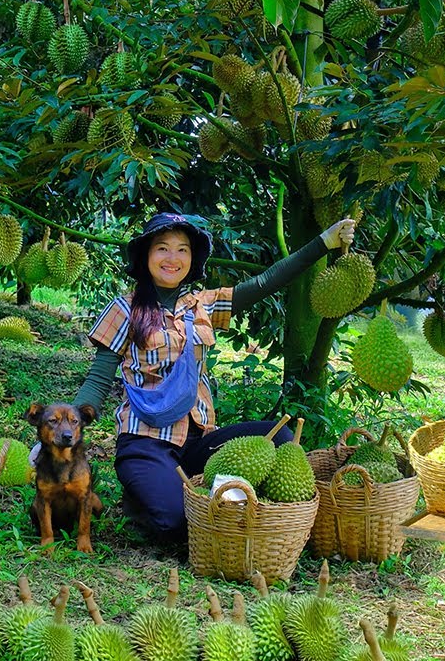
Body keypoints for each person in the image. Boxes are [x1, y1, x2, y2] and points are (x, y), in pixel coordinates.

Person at [70, 211, 357, 543]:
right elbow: (98, 380)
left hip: (199, 447)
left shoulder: (203, 305)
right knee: (177, 523)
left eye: (182, 250)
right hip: (145, 443)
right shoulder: (125, 309)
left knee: (278, 436)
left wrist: (326, 242)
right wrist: (60, 431)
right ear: (146, 255)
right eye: (162, 248)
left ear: (192, 259)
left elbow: (267, 281)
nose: (172, 258)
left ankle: (220, 499)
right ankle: (146, 498)